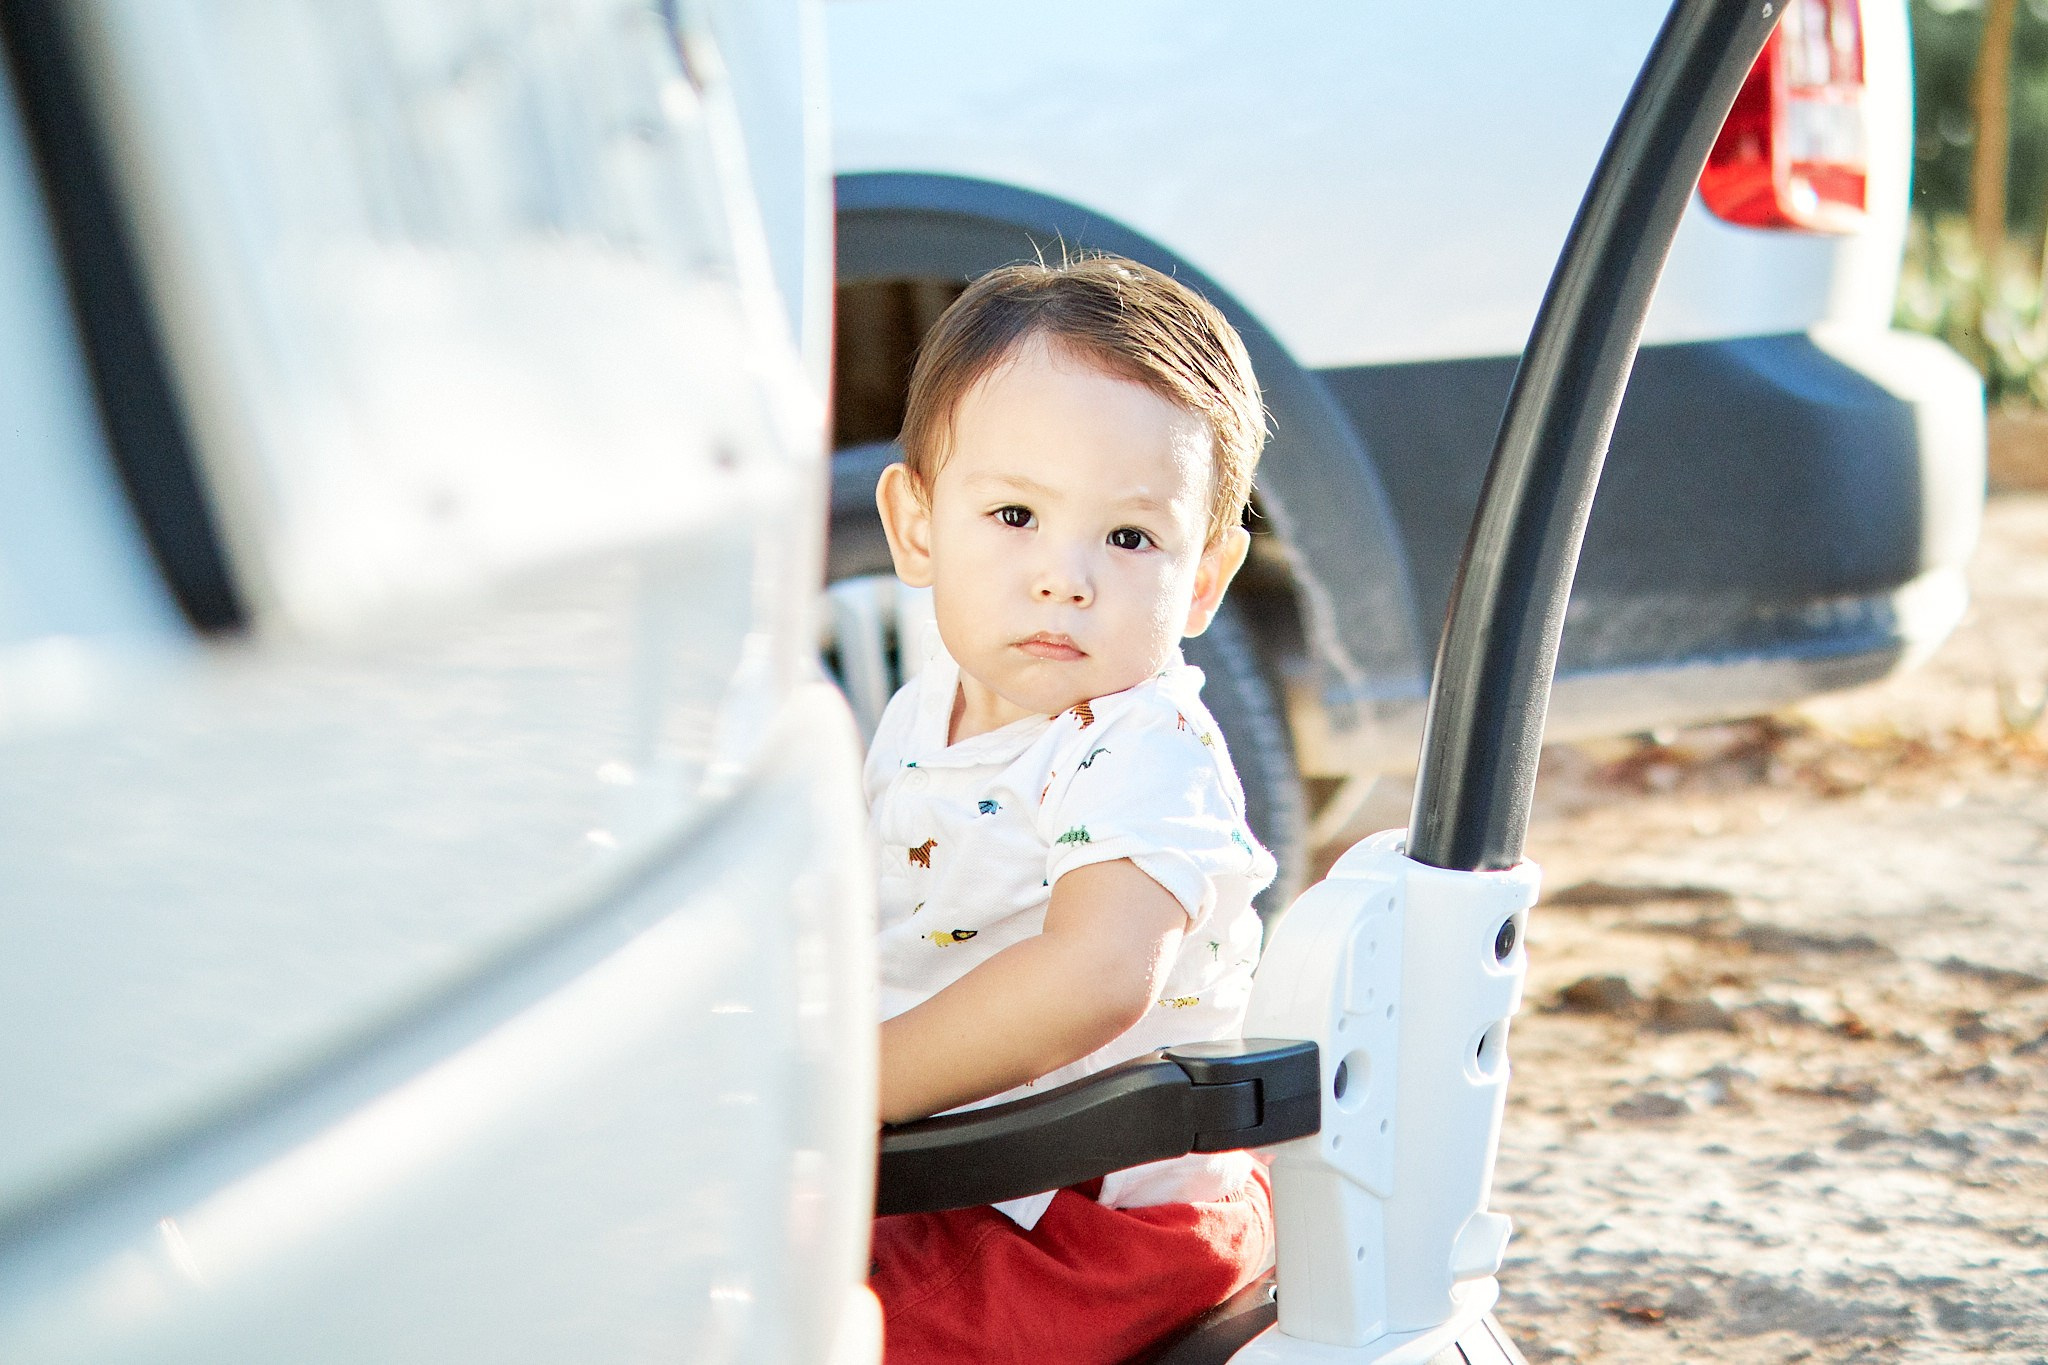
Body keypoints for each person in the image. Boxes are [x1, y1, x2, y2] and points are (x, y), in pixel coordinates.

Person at [864, 253, 1278, 1364]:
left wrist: (853, 1086)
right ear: (915, 526)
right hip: (962, 1167)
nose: (1064, 577)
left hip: (1097, 1210)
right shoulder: (923, 709)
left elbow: (1095, 972)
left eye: (1129, 538)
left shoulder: (1144, 751)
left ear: (1201, 579)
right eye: (1013, 514)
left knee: (813, 1327)